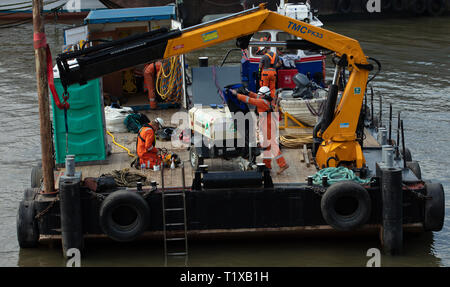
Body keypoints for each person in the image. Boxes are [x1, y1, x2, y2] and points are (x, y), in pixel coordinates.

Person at [231, 86, 289, 174]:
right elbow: (255, 96)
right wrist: (248, 92)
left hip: (268, 125)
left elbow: (250, 100)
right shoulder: (267, 100)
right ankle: (267, 166)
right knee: (267, 146)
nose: (259, 95)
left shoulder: (263, 102)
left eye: (260, 94)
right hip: (268, 123)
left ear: (264, 95)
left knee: (272, 145)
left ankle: (283, 164)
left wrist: (237, 95)